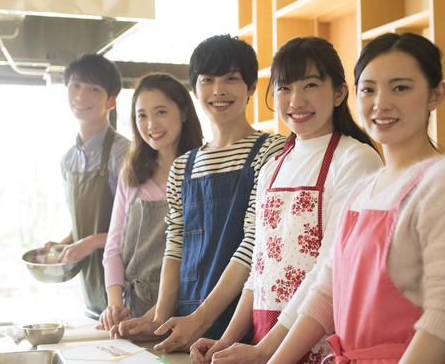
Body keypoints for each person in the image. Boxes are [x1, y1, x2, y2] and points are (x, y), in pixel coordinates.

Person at [268, 32, 445, 364]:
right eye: (369, 89)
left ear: (435, 94)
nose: (380, 103)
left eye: (400, 88)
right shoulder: (364, 189)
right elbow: (326, 293)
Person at [190, 36, 383, 364]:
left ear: (339, 92)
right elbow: (259, 270)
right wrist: (226, 341)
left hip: (323, 338)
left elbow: (330, 271)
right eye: (284, 88)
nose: (296, 100)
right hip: (266, 337)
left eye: (310, 85)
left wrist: (267, 351)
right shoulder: (271, 168)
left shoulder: (357, 160)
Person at [111, 34, 287, 352]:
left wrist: (201, 318)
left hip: (243, 320)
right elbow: (175, 248)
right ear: (195, 90)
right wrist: (160, 320)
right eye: (208, 80)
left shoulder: (272, 150)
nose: (218, 90)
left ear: (250, 88)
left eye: (231, 79)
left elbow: (255, 243)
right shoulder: (183, 167)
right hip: (186, 321)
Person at [97, 72, 203, 330]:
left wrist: (155, 317)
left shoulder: (202, 171)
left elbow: (201, 259)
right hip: (131, 310)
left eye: (161, 112)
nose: (151, 124)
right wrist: (114, 306)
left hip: (183, 314)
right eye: (142, 115)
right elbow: (113, 248)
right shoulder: (131, 172)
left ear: (184, 113)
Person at [47, 54, 130, 315]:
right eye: (75, 85)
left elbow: (139, 230)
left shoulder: (124, 154)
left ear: (111, 100)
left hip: (126, 291)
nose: (81, 95)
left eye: (93, 88)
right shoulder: (68, 161)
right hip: (91, 293)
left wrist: (91, 242)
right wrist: (65, 244)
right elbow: (84, 222)